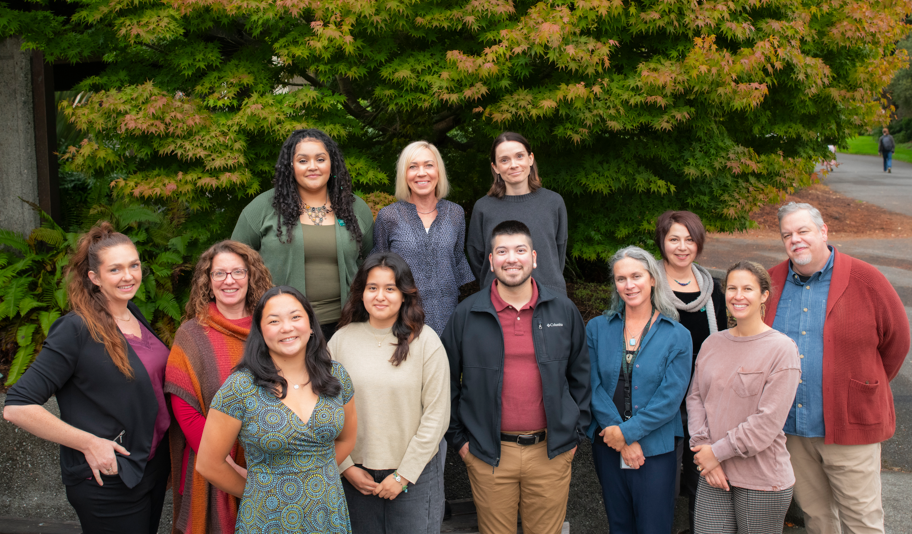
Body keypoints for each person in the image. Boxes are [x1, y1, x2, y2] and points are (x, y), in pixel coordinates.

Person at [4, 223, 170, 533]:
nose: (129, 276)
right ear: (94, 278)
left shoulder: (133, 313)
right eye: (115, 269)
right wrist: (89, 443)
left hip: (149, 466)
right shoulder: (75, 329)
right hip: (108, 477)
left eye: (134, 265)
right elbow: (17, 406)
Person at [766, 202, 910, 534]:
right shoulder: (771, 282)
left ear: (823, 231)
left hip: (850, 429)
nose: (796, 240)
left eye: (803, 231)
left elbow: (897, 342)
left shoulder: (866, 279)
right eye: (787, 235)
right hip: (793, 431)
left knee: (863, 521)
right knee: (818, 519)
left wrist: (860, 385)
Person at [443, 220, 590, 534]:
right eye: (503, 251)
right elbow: (445, 382)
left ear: (534, 258)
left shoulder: (563, 311)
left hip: (551, 452)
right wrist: (460, 441)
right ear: (491, 260)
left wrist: (575, 436)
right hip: (488, 454)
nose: (512, 258)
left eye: (520, 250)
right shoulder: (467, 315)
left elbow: (581, 375)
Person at [196, 286, 358, 533]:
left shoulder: (336, 375)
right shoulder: (240, 387)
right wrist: (260, 491)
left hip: (327, 513)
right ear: (260, 331)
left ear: (311, 325)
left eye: (295, 317)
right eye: (274, 321)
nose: (287, 327)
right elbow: (208, 464)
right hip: (266, 518)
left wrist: (314, 472)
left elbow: (347, 439)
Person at [329, 252, 450, 533]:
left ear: (405, 294)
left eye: (390, 288)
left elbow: (437, 414)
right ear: (361, 293)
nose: (380, 296)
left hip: (414, 476)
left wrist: (403, 476)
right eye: (372, 288)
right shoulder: (341, 341)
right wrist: (345, 466)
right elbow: (325, 408)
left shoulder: (426, 341)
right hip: (355, 476)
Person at [165, 240, 272, 533]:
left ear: (250, 278)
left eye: (238, 272)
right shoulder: (191, 334)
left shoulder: (272, 328)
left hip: (268, 461)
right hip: (212, 465)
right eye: (219, 273)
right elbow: (184, 409)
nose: (229, 281)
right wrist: (226, 466)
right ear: (208, 282)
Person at [687, 261, 801, 534]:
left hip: (760, 478)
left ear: (763, 295)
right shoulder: (713, 343)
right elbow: (695, 399)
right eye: (732, 288)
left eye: (748, 288)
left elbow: (766, 423)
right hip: (712, 471)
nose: (738, 296)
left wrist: (716, 453)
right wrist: (705, 452)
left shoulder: (782, 349)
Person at [586, 246, 692, 534]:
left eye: (636, 276)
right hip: (608, 443)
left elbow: (670, 399)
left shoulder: (678, 335)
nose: (629, 285)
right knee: (619, 525)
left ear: (653, 279)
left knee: (653, 527)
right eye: (621, 279)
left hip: (655, 448)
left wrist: (628, 434)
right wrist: (618, 436)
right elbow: (591, 386)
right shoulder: (596, 328)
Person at [232, 128, 374, 339]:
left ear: (331, 163)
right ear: (291, 166)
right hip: (283, 329)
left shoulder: (355, 208)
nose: (313, 167)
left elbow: (371, 263)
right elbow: (233, 263)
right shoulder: (263, 208)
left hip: (347, 327)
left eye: (320, 159)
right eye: (303, 160)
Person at [653, 210, 728, 532]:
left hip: (705, 394)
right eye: (674, 239)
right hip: (662, 393)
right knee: (662, 479)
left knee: (702, 474)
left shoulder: (714, 289)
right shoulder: (647, 283)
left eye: (689, 239)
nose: (682, 247)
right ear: (662, 242)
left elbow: (725, 339)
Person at [372, 140, 474, 336]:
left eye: (428, 165)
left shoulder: (455, 213)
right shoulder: (388, 216)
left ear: (438, 171)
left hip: (448, 317)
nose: (421, 173)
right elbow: (379, 268)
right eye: (413, 167)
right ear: (404, 174)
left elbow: (457, 259)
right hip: (402, 321)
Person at [467, 132, 568, 295]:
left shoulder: (553, 202)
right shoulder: (483, 208)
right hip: (498, 300)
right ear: (495, 167)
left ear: (530, 158)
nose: (513, 165)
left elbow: (558, 252)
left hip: (549, 297)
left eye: (519, 156)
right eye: (504, 160)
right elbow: (477, 258)